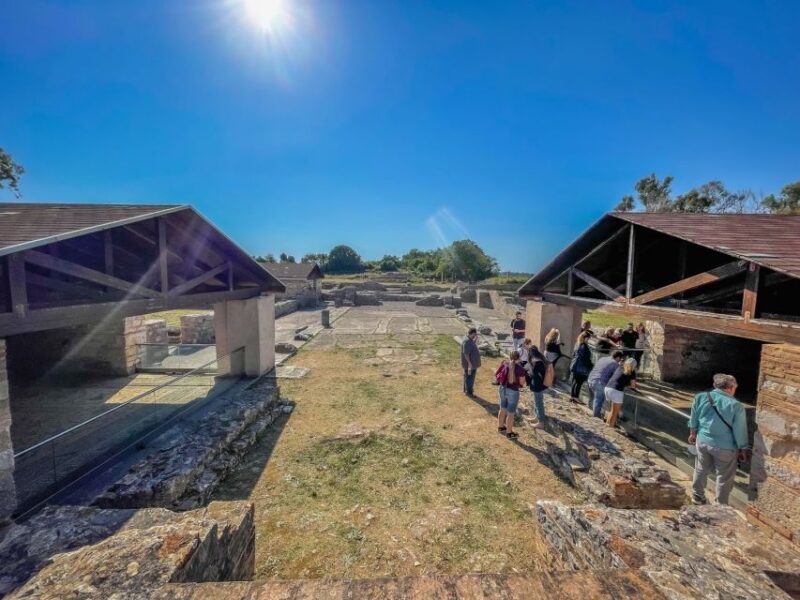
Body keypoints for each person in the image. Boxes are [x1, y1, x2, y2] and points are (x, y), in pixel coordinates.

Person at [688, 374, 749, 505]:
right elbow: (740, 429)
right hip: (725, 447)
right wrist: (743, 448)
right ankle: (720, 505)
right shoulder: (736, 405)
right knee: (724, 477)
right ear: (731, 387)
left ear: (715, 385)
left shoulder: (700, 397)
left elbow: (694, 417)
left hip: (702, 441)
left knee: (700, 469)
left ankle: (697, 496)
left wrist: (693, 433)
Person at [495, 350, 527, 439]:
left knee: (502, 409)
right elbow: (522, 382)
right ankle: (509, 433)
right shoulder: (520, 369)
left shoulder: (505, 363)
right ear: (519, 358)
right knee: (511, 413)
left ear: (510, 356)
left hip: (502, 388)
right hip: (513, 391)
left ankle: (501, 427)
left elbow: (497, 374)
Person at [586, 350, 624, 419]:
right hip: (599, 382)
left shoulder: (603, 358)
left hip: (590, 378)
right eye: (620, 359)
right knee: (598, 400)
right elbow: (615, 377)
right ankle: (596, 416)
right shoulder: (615, 364)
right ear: (618, 357)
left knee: (593, 397)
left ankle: (590, 411)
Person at [605, 358, 637, 428]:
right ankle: (611, 427)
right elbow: (633, 386)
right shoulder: (632, 371)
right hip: (616, 391)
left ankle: (607, 424)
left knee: (612, 410)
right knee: (615, 413)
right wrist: (628, 385)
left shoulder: (620, 367)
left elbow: (619, 378)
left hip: (608, 388)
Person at [526, 345, 548, 429]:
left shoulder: (537, 362)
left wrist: (528, 371)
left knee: (539, 403)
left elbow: (533, 374)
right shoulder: (540, 359)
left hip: (538, 385)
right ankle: (537, 417)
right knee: (537, 401)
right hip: (539, 385)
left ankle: (541, 423)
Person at [569, 331, 594, 403]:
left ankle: (572, 396)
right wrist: (591, 366)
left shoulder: (577, 344)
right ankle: (576, 397)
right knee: (578, 382)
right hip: (581, 367)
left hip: (575, 365)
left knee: (575, 381)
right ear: (586, 338)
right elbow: (585, 358)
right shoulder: (584, 346)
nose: (589, 340)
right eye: (588, 338)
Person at [460, 327, 481, 397]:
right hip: (470, 364)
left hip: (471, 364)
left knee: (467, 377)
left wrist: (476, 340)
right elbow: (466, 354)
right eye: (474, 335)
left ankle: (466, 390)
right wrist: (469, 363)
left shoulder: (469, 339)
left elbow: (471, 345)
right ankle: (469, 392)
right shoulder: (467, 341)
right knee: (470, 378)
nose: (475, 336)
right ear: (471, 333)